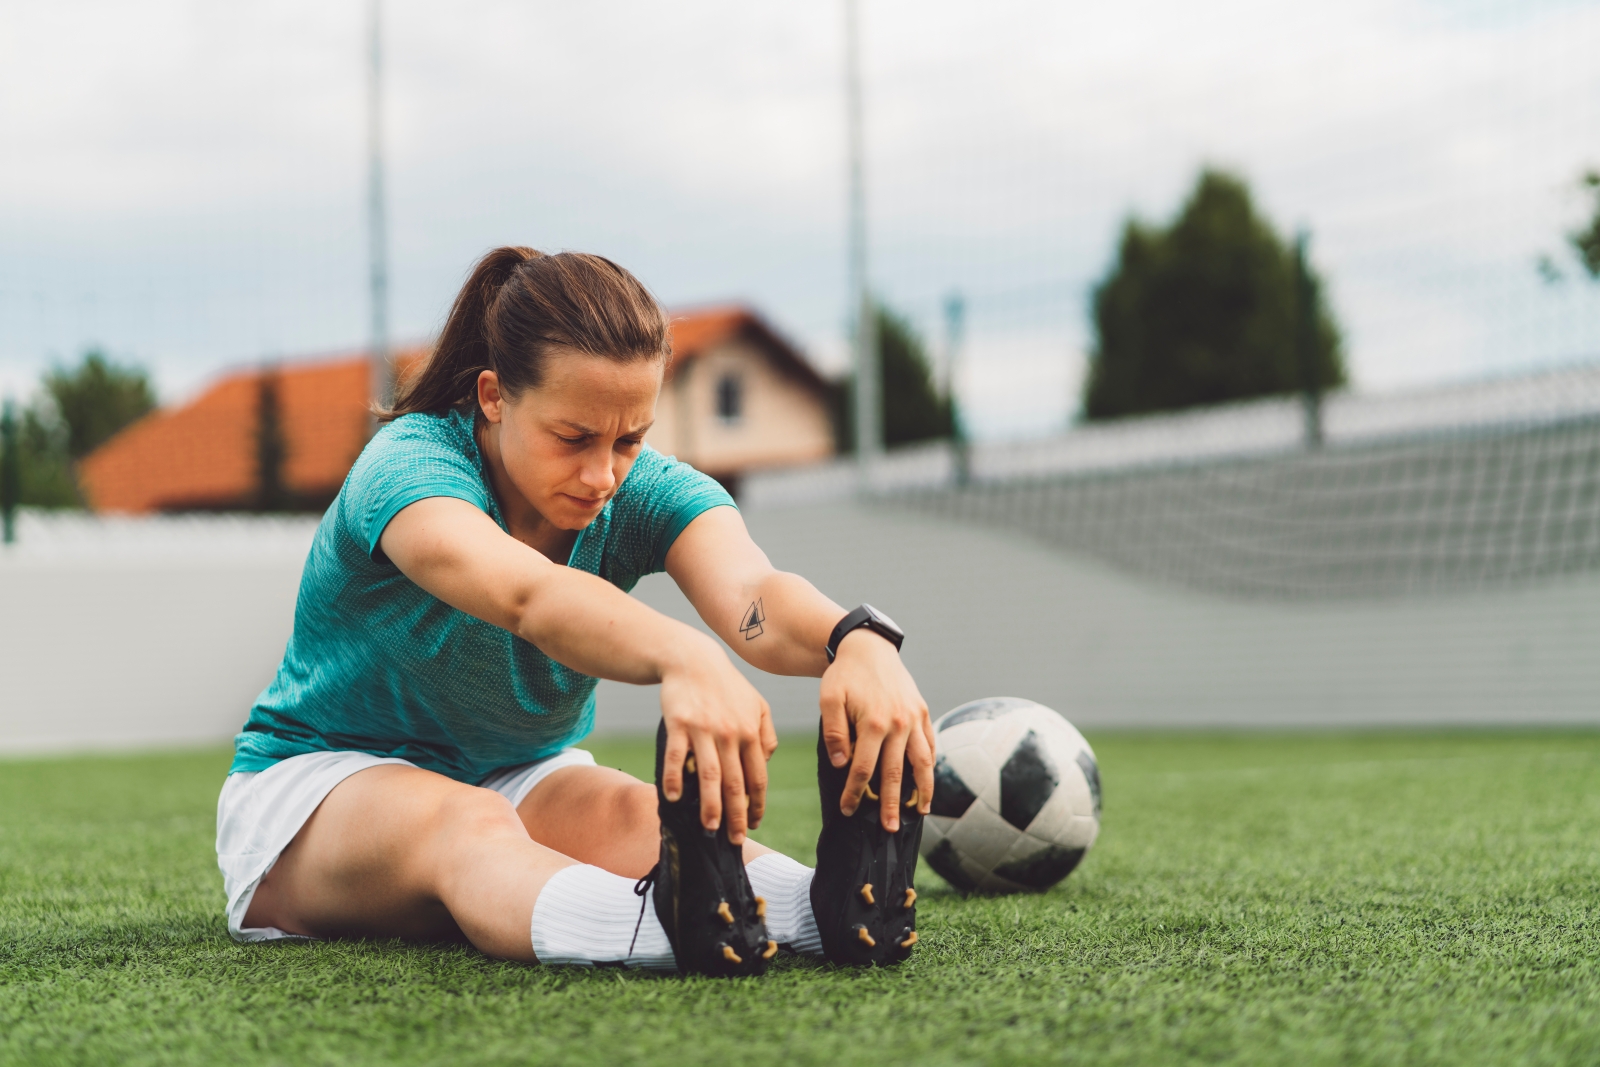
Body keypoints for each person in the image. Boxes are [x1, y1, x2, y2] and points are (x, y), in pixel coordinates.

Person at [216, 247, 936, 976]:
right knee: (469, 822)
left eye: (630, 439)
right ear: (494, 397)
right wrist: (683, 656)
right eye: (574, 438)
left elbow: (753, 592)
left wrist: (858, 639)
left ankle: (827, 911)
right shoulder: (409, 467)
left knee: (634, 813)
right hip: (317, 791)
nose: (603, 475)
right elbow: (527, 595)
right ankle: (671, 928)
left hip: (515, 768)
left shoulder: (644, 490)